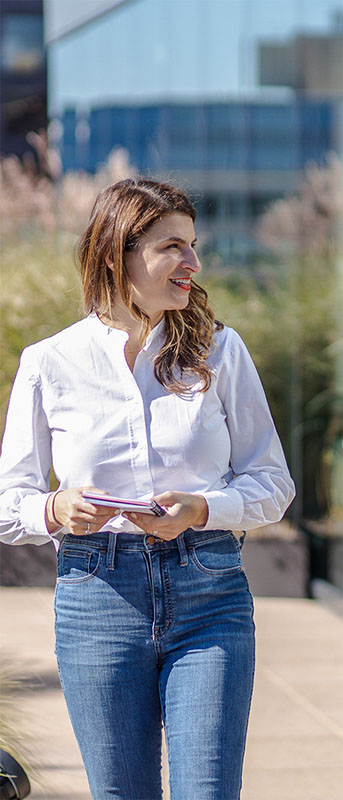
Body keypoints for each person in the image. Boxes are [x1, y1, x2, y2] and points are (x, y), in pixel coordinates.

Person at [0, 178, 295, 800]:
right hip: (97, 599)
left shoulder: (219, 351)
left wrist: (205, 508)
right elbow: (9, 505)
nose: (191, 263)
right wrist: (55, 508)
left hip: (209, 593)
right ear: (118, 253)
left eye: (192, 245)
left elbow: (273, 483)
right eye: (171, 247)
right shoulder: (49, 363)